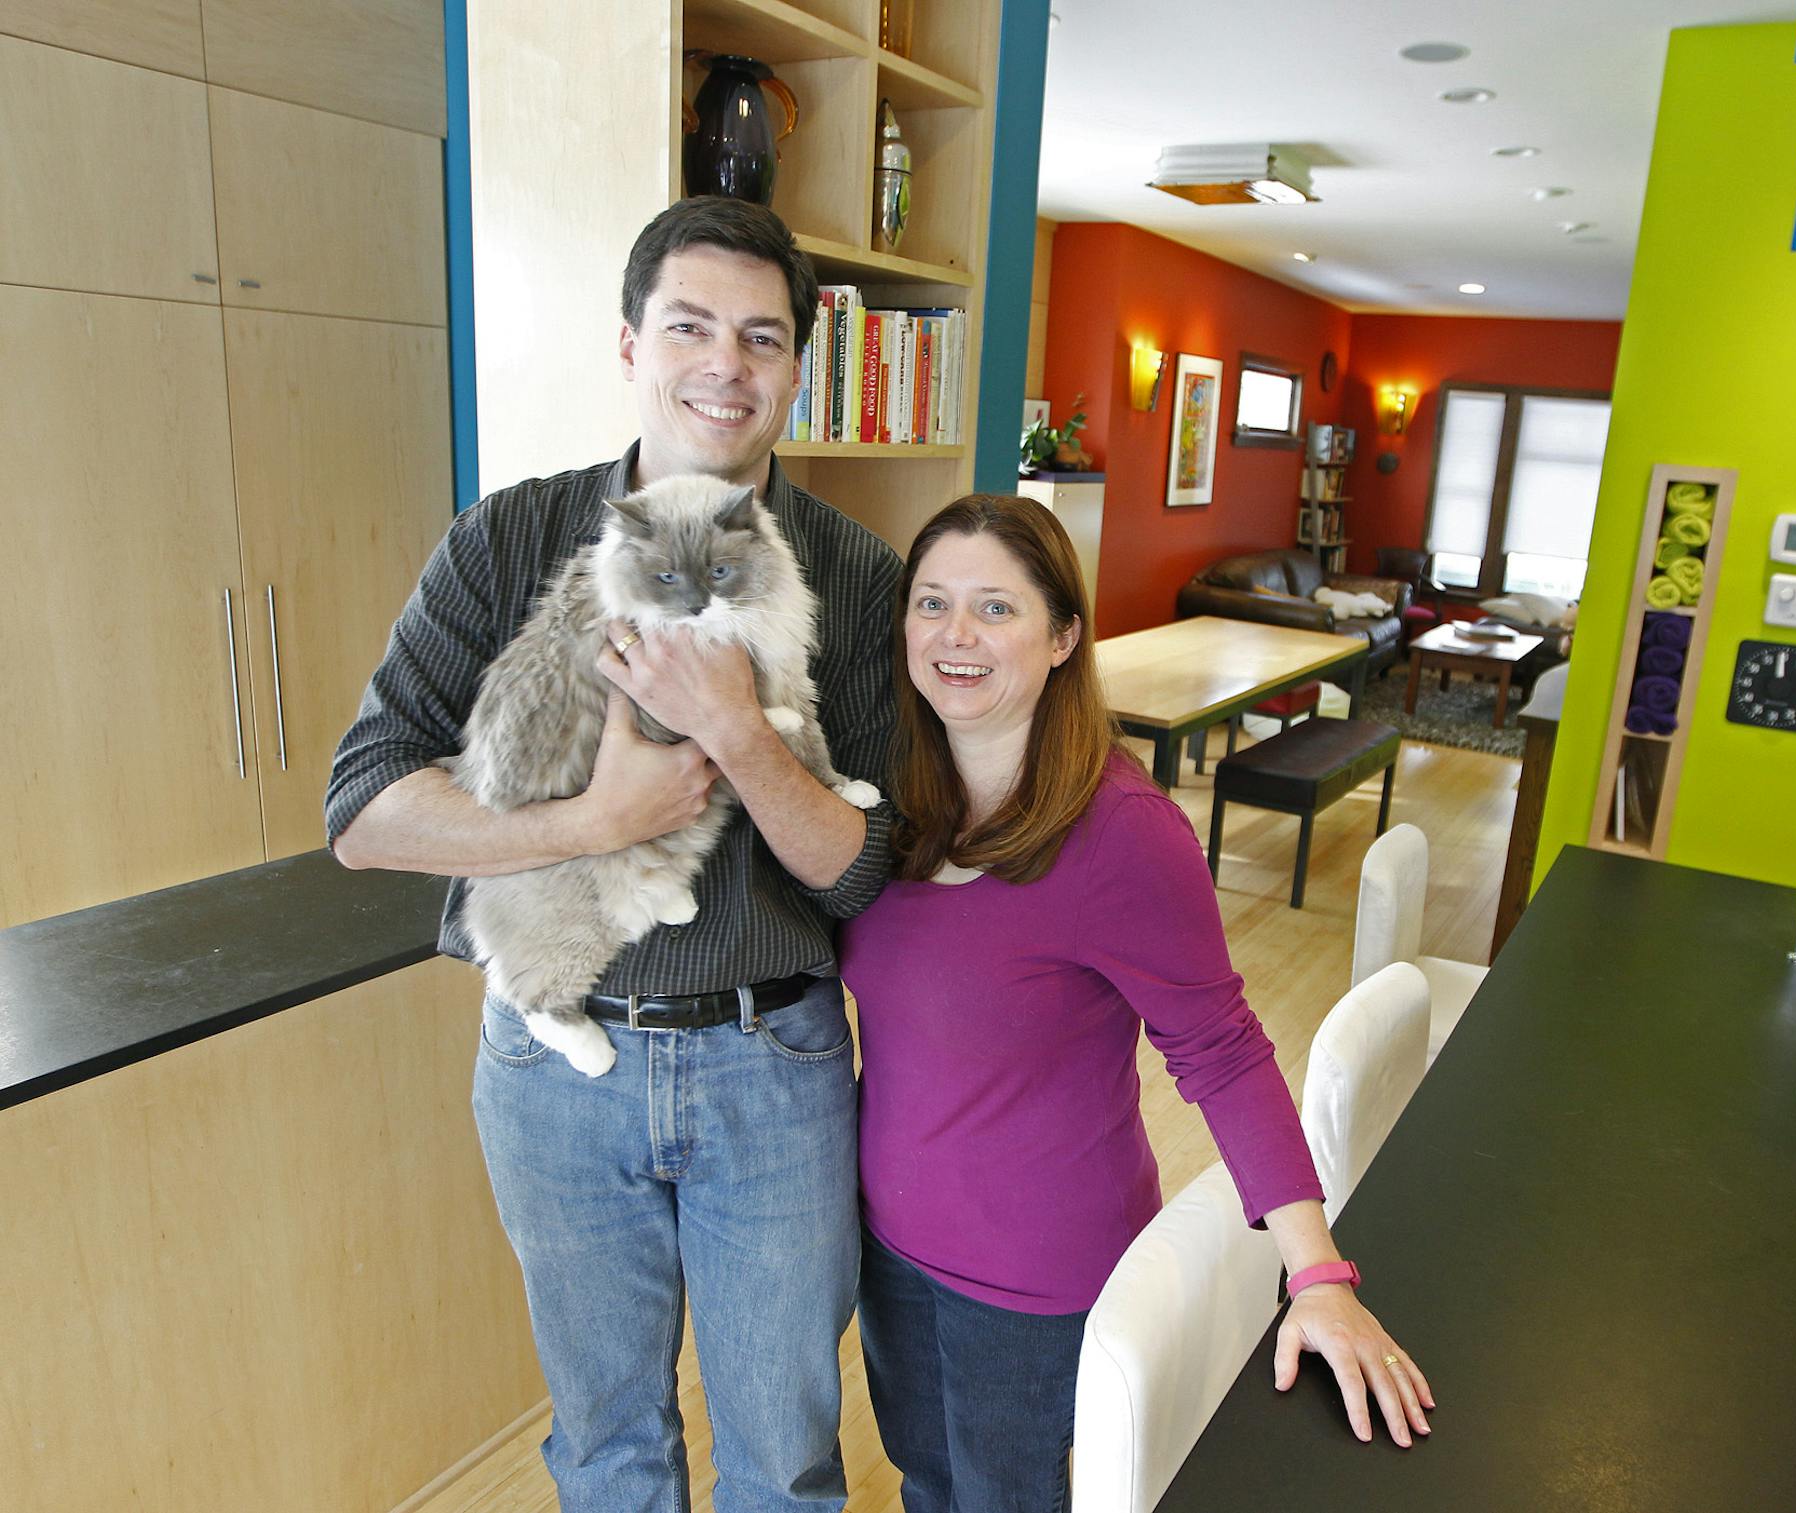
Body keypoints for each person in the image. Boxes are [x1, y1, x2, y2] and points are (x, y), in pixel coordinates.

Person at [324, 197, 899, 1512]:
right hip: (555, 1070)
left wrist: (740, 737)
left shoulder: (858, 575)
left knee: (787, 1457)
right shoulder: (507, 540)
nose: (725, 366)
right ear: (628, 344)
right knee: (604, 1448)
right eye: (690, 325)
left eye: (763, 338)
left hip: (775, 1068)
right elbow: (363, 808)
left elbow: (861, 872)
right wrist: (599, 822)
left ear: (797, 372)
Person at [840, 495, 1434, 1510]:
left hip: (1031, 1275)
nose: (955, 634)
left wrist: (1318, 1275)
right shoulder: (888, 803)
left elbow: (1225, 1053)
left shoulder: (1123, 834)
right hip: (889, 1247)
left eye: (996, 608)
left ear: (1066, 634)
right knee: (925, 1482)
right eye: (932, 602)